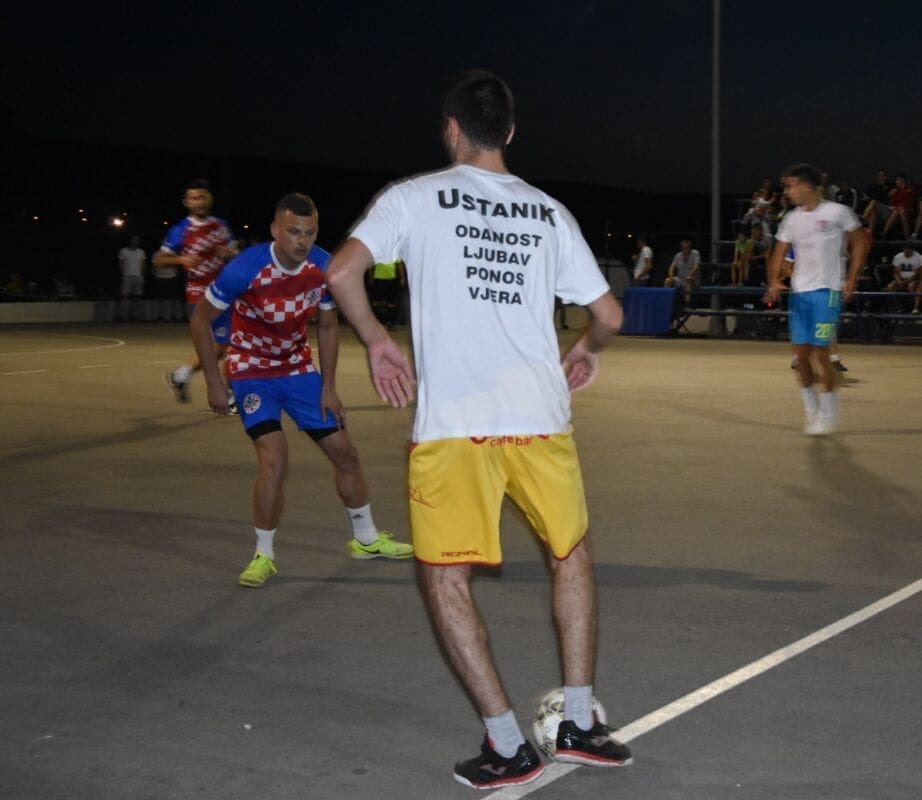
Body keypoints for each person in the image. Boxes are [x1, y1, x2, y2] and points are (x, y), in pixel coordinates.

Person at [324, 70, 631, 790]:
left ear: (452, 128)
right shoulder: (549, 212)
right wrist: (586, 349)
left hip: (455, 426)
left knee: (445, 577)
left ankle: (505, 744)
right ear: (511, 133)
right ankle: (580, 723)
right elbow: (610, 315)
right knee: (571, 555)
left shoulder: (412, 197)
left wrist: (378, 341)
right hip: (540, 418)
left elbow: (340, 274)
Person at [189, 193, 414, 588]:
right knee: (275, 459)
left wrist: (329, 387)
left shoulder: (324, 267)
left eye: (310, 233)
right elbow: (200, 320)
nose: (302, 241)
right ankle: (263, 555)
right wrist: (212, 381)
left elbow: (327, 326)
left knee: (345, 453)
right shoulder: (245, 268)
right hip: (251, 371)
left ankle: (365, 539)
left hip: (297, 370)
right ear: (275, 230)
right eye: (294, 232)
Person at [764, 163, 868, 436]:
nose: (787, 192)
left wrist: (852, 277)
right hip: (800, 292)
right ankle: (812, 409)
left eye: (791, 186)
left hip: (827, 290)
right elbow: (778, 252)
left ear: (807, 186)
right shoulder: (790, 219)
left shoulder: (838, 212)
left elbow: (860, 242)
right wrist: (773, 280)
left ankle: (829, 411)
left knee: (821, 353)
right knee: (800, 356)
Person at [157, 179, 237, 404]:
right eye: (194, 198)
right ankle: (231, 396)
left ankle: (180, 376)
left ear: (210, 199)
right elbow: (160, 260)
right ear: (186, 202)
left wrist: (229, 253)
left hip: (223, 291)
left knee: (220, 348)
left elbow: (235, 253)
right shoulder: (180, 230)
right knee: (230, 345)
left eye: (202, 197)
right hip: (199, 294)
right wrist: (180, 259)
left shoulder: (221, 226)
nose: (199, 202)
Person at [117, 235, 146, 321]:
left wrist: (142, 276)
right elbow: (120, 263)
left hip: (138, 276)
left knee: (136, 297)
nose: (135, 241)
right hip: (127, 276)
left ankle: (134, 315)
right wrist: (123, 273)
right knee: (124, 296)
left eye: (137, 240)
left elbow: (143, 264)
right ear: (130, 240)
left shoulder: (141, 252)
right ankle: (121, 315)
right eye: (134, 240)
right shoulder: (124, 251)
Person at [369, 260, 403, 330]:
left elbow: (399, 265)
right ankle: (377, 324)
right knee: (378, 302)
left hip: (391, 279)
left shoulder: (394, 253)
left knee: (391, 302)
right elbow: (370, 265)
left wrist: (402, 277)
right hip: (378, 278)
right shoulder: (376, 253)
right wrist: (371, 277)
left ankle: (391, 323)